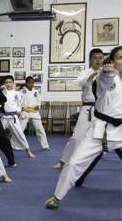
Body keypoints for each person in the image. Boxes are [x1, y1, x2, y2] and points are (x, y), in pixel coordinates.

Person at [45, 46, 122, 209]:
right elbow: (101, 89)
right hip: (101, 129)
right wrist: (106, 74)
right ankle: (56, 196)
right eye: (120, 58)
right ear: (113, 62)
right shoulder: (105, 75)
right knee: (73, 163)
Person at [53, 49, 104, 169]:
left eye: (100, 57)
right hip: (88, 109)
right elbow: (82, 84)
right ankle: (63, 160)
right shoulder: (85, 73)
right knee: (77, 137)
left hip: (103, 110)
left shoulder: (108, 74)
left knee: (108, 137)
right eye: (95, 58)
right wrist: (96, 73)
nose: (98, 60)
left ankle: (97, 156)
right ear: (90, 60)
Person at [0, 75, 35, 158]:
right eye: (6, 82)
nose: (8, 84)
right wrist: (0, 90)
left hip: (13, 117)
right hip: (3, 117)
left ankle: (28, 151)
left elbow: (19, 104)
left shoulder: (17, 93)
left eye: (10, 82)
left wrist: (19, 110)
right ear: (4, 84)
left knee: (20, 134)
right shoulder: (1, 92)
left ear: (13, 83)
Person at [19, 76, 50, 150]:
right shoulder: (21, 92)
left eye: (32, 83)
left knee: (40, 129)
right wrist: (20, 109)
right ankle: (13, 144)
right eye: (29, 83)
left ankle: (45, 145)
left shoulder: (36, 92)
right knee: (19, 129)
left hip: (34, 112)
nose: (31, 84)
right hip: (25, 111)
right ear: (26, 83)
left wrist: (37, 106)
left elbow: (39, 101)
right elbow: (18, 101)